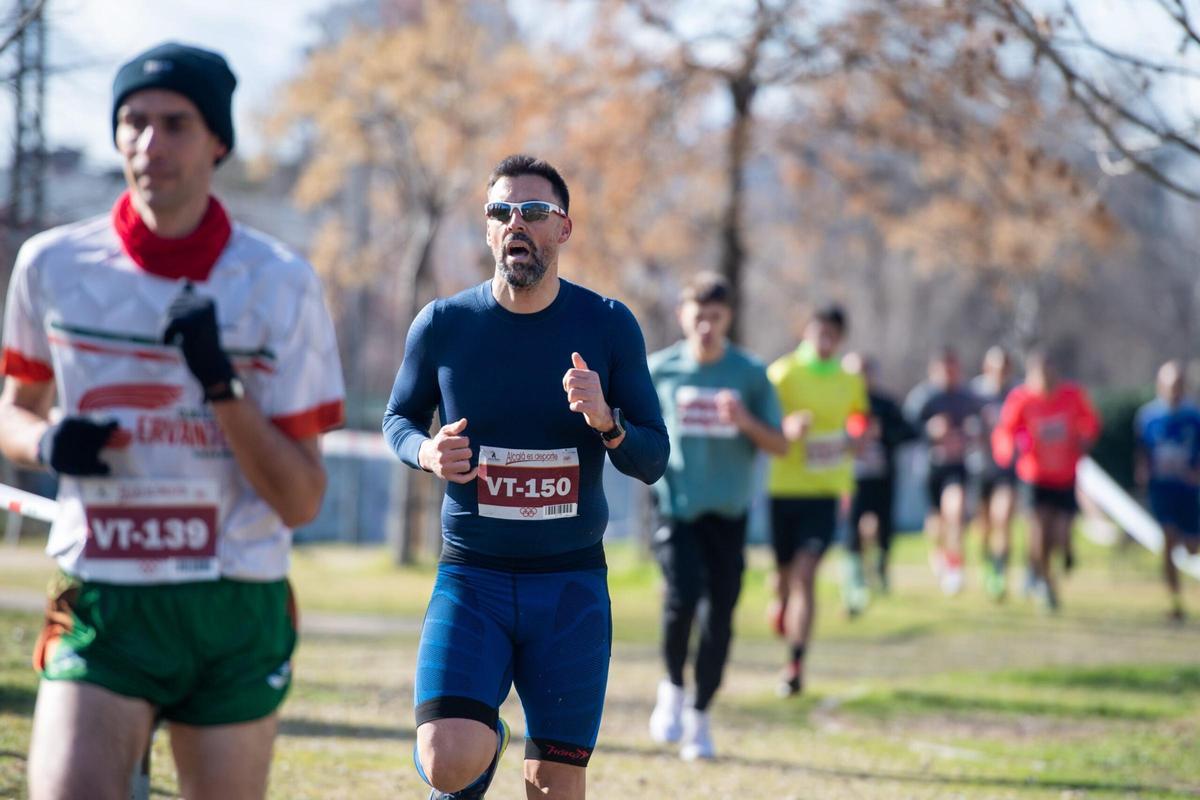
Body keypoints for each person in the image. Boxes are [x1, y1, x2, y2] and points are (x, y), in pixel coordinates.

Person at [0, 42, 345, 800]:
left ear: (218, 141)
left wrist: (220, 382)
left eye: (176, 124)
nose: (149, 145)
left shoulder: (279, 284)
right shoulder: (53, 265)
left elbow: (301, 499)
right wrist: (48, 441)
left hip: (234, 600)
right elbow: (14, 414)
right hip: (106, 593)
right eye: (133, 122)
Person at [382, 154, 668, 800]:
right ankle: (481, 746)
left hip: (569, 589)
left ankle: (493, 737)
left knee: (554, 789)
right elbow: (397, 417)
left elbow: (652, 457)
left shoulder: (607, 324)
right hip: (473, 578)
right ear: (487, 231)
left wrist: (607, 422)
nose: (517, 223)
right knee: (448, 757)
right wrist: (425, 453)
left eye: (534, 212)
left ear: (562, 230)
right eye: (501, 212)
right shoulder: (444, 324)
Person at [645, 272, 785, 759]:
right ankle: (671, 688)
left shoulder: (749, 373)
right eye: (698, 316)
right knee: (681, 597)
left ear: (728, 319)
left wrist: (744, 420)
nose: (706, 326)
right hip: (676, 507)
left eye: (716, 317)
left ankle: (700, 715)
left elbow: (781, 443)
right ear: (683, 316)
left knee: (719, 615)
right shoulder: (658, 370)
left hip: (728, 513)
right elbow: (633, 430)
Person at [766, 305, 867, 697]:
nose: (823, 341)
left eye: (831, 335)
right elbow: (764, 421)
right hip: (785, 489)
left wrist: (857, 437)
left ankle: (795, 663)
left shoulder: (848, 379)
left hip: (826, 492)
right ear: (807, 332)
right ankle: (780, 601)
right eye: (817, 333)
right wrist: (786, 428)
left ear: (840, 339)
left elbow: (860, 419)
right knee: (784, 578)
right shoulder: (784, 373)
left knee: (806, 576)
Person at [992, 349, 1099, 612]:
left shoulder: (1072, 396)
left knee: (1060, 533)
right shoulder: (1021, 399)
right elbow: (1005, 432)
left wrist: (1085, 439)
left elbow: (1091, 422)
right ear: (1031, 375)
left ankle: (1059, 557)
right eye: (1039, 375)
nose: (1045, 381)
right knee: (1039, 532)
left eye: (1050, 373)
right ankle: (1045, 583)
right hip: (1034, 476)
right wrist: (1011, 450)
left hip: (1064, 476)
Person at [903, 347, 983, 596]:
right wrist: (930, 431)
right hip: (931, 467)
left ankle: (955, 566)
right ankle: (938, 552)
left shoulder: (967, 396)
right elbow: (906, 429)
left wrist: (974, 431)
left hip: (958, 465)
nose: (950, 375)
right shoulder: (923, 397)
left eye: (954, 369)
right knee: (937, 520)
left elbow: (983, 424)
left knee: (956, 511)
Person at [842, 352, 917, 612]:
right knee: (854, 527)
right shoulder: (838, 402)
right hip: (850, 478)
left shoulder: (884, 404)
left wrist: (883, 433)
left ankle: (881, 568)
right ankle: (855, 580)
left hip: (882, 477)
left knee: (883, 526)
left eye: (864, 372)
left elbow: (910, 432)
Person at [1134, 360, 1200, 621]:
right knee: (1168, 538)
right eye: (1169, 385)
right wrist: (1142, 471)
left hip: (1187, 490)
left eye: (1178, 385)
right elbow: (1141, 452)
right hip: (1161, 490)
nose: (1174, 390)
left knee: (1192, 547)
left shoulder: (1194, 417)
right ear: (1160, 386)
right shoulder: (1148, 416)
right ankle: (1174, 599)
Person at [969, 346, 1019, 601]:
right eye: (995, 368)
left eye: (1005, 368)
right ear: (986, 368)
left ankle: (1001, 571)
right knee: (985, 525)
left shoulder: (1017, 394)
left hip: (1006, 469)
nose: (1000, 374)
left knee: (1003, 518)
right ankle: (988, 564)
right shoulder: (973, 393)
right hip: (980, 467)